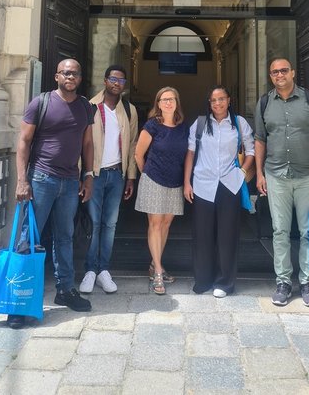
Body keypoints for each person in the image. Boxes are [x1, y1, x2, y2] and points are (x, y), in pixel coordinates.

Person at [10, 58, 94, 329]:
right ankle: (18, 301)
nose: (70, 76)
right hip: (42, 179)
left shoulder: (84, 107)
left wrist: (88, 176)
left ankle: (65, 289)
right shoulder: (41, 102)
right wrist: (22, 181)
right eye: (66, 72)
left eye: (75, 73)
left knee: (65, 237)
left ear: (80, 78)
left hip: (70, 181)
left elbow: (88, 143)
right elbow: (23, 141)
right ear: (57, 76)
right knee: (28, 237)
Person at [255, 57, 309, 308]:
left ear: (293, 73)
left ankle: (308, 282)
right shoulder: (265, 102)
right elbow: (259, 140)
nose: (279, 75)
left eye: (283, 70)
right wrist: (259, 173)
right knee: (279, 231)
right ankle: (283, 282)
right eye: (274, 71)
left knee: (307, 231)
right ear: (271, 76)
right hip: (276, 174)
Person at [183, 85, 254, 298]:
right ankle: (203, 279)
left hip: (229, 184)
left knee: (227, 236)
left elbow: (250, 151)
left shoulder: (239, 124)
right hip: (203, 185)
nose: (217, 104)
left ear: (229, 100)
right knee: (202, 235)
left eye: (221, 99)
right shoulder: (200, 124)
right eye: (213, 100)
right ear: (209, 104)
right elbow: (190, 154)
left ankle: (224, 282)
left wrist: (241, 173)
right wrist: (187, 182)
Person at [79, 65, 138, 294]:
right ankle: (90, 270)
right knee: (93, 223)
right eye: (113, 79)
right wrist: (83, 175)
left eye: (121, 80)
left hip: (117, 174)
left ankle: (104, 269)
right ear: (105, 81)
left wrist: (131, 177)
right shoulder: (90, 106)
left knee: (110, 224)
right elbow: (81, 143)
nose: (117, 83)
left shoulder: (129, 110)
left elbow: (132, 145)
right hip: (94, 175)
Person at [134, 87, 189, 295]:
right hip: (154, 180)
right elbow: (139, 154)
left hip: (175, 182)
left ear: (177, 102)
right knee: (155, 224)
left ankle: (154, 264)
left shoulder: (183, 127)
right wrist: (147, 175)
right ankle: (158, 270)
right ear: (158, 104)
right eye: (164, 100)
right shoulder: (152, 126)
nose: (168, 103)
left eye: (172, 99)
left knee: (165, 224)